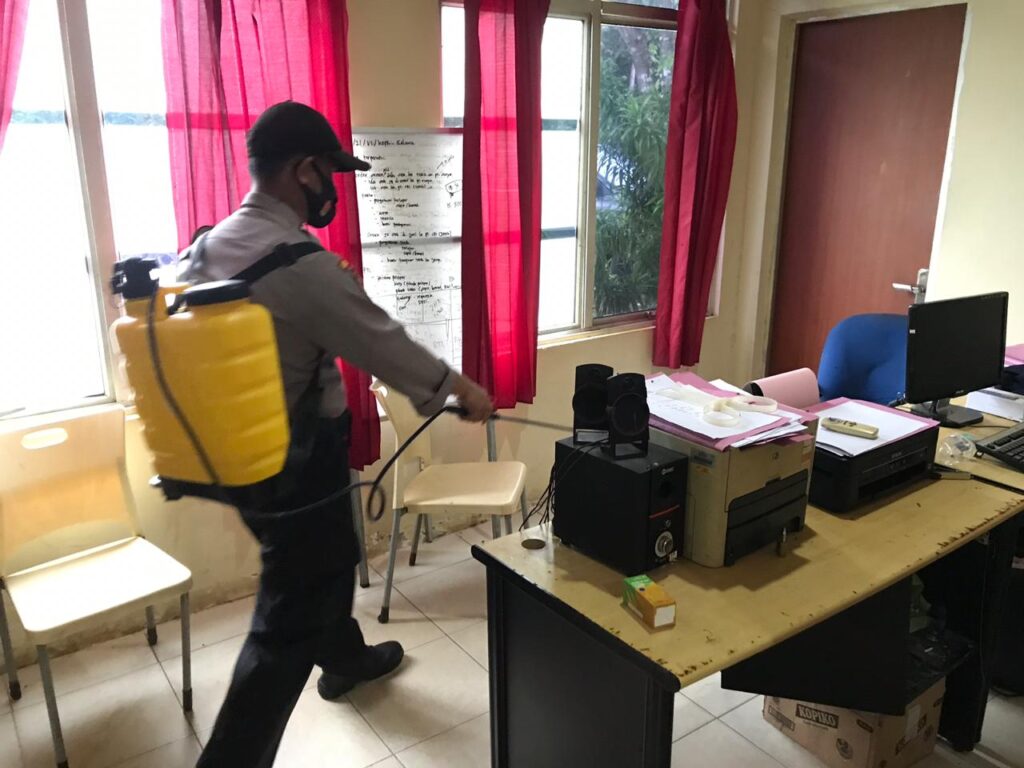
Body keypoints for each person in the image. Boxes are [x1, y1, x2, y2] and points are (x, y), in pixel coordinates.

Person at [178, 100, 494, 768]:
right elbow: (379, 340)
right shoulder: (297, 262)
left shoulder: (209, 245)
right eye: (329, 172)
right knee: (286, 622)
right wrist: (461, 390)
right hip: (298, 465)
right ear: (303, 171)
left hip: (239, 459)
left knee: (324, 566)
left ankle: (346, 659)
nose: (333, 188)